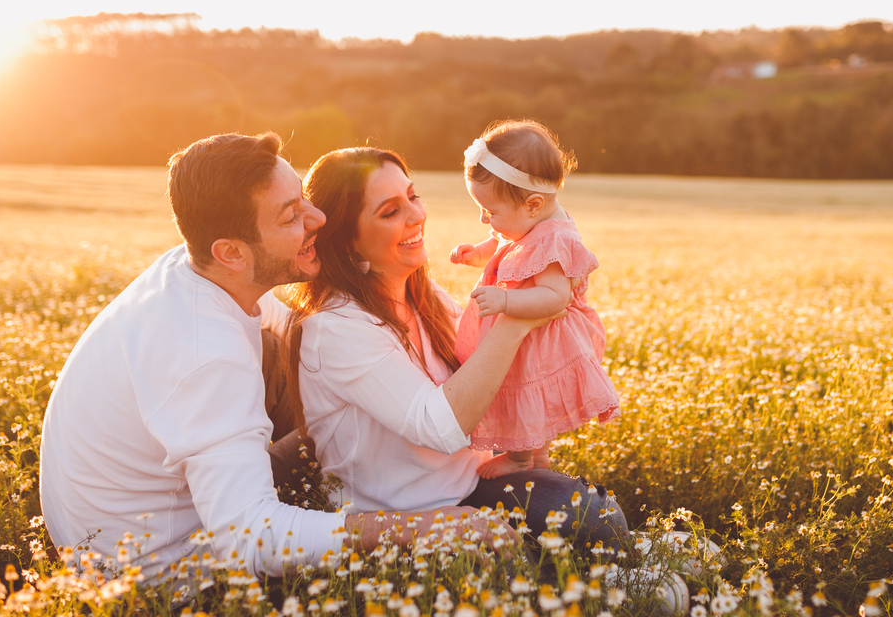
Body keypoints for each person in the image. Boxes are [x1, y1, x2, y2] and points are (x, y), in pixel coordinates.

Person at [38, 132, 510, 579]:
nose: (319, 220)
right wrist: (426, 527)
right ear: (232, 253)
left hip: (134, 519)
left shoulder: (201, 272)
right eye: (290, 217)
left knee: (305, 378)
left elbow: (304, 337)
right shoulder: (206, 355)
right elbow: (251, 537)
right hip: (161, 572)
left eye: (303, 197)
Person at [284, 146, 628, 547]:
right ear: (348, 243)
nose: (416, 216)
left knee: (596, 515)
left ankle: (599, 569)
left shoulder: (420, 294)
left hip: (473, 482)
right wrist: (517, 317)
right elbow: (441, 429)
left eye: (412, 196)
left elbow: (486, 374)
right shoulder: (336, 328)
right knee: (591, 522)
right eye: (390, 211)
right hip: (411, 516)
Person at [449, 120, 621, 479]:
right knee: (528, 399)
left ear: (533, 204)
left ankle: (520, 460)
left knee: (527, 395)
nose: (485, 219)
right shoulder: (528, 222)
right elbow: (503, 244)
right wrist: (476, 254)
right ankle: (537, 461)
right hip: (528, 333)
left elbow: (555, 298)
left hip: (540, 339)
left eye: (490, 211)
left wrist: (505, 302)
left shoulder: (552, 239)